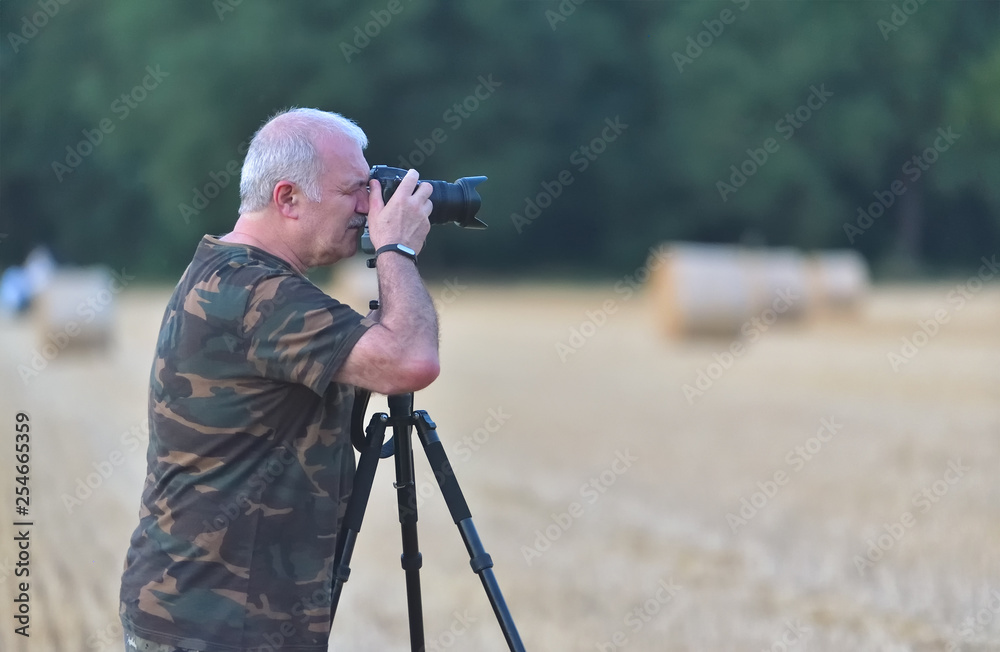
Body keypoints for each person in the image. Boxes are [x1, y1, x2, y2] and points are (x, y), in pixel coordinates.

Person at [119, 107, 440, 652]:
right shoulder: (253, 293)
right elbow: (410, 360)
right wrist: (397, 249)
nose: (371, 207)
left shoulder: (232, 273)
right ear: (287, 198)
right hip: (218, 623)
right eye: (355, 190)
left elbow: (379, 353)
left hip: (211, 615)